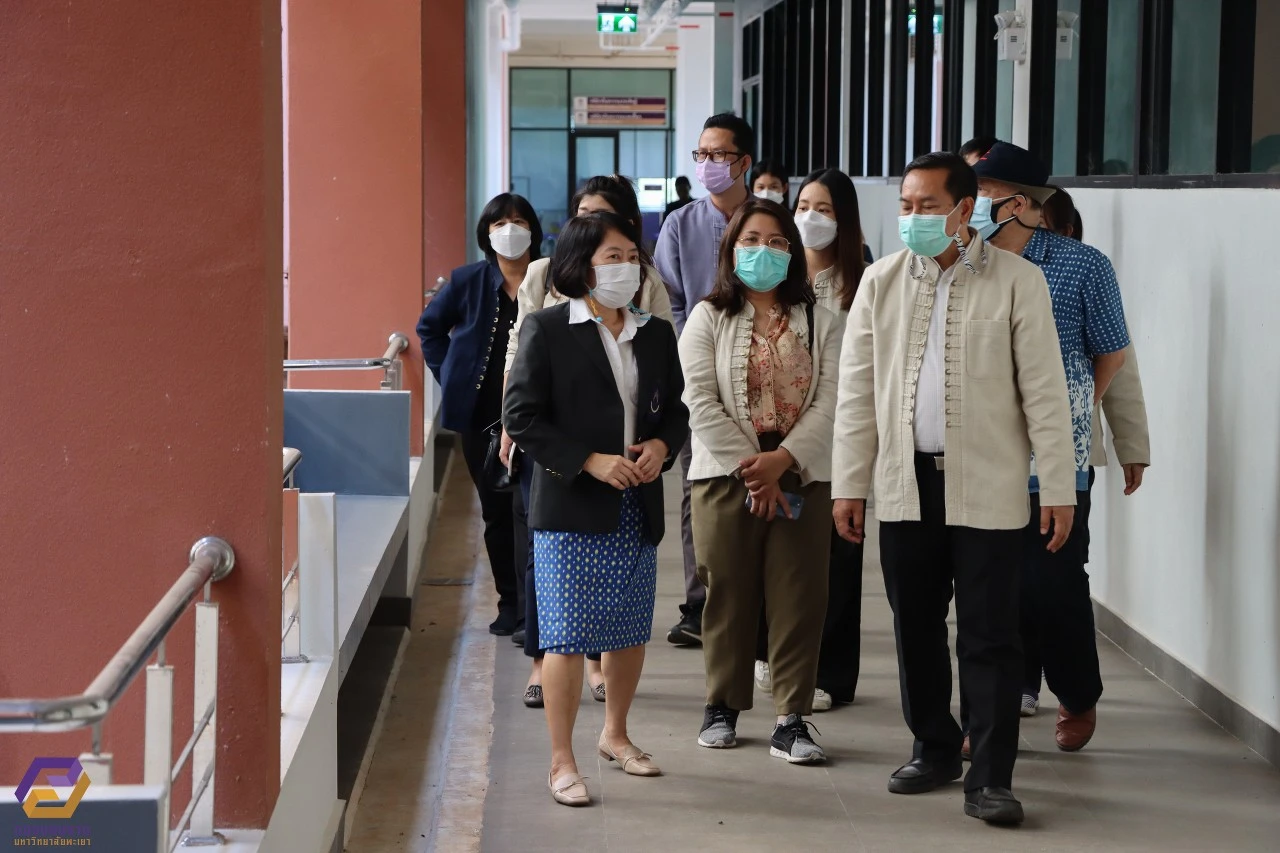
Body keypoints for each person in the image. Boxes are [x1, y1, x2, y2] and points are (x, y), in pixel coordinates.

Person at [832, 152, 1076, 825]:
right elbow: (855, 395)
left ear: (966, 209)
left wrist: (1057, 485)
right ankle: (933, 745)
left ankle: (991, 776)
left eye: (926, 205)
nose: (912, 217)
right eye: (906, 205)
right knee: (914, 624)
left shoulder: (1018, 282)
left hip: (991, 488)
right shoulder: (880, 284)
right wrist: (849, 482)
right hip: (906, 484)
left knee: (991, 634)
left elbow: (1047, 394)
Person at [503, 211, 689, 807]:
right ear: (582, 265)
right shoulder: (547, 328)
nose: (628, 267)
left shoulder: (655, 332)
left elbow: (675, 411)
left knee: (629, 629)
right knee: (563, 636)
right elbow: (522, 417)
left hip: (635, 501)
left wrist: (662, 445)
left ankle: (616, 734)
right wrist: (589, 460)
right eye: (614, 257)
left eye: (633, 256)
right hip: (570, 506)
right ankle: (561, 760)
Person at [972, 143, 1130, 753]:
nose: (970, 209)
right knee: (989, 592)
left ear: (1019, 203)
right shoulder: (964, 263)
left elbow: (1111, 349)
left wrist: (1075, 410)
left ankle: (1077, 692)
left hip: (1053, 462)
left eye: (980, 197)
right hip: (981, 452)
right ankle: (990, 718)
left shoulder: (1081, 266)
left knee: (1053, 584)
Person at [680, 197, 842, 764]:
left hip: (802, 473)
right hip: (726, 475)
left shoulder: (822, 317)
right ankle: (722, 705)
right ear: (730, 249)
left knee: (800, 596)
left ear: (793, 253)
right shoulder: (708, 317)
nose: (762, 252)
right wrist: (755, 471)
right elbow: (698, 400)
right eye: (750, 241)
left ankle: (792, 718)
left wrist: (785, 461)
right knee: (726, 592)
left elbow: (832, 398)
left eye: (776, 242)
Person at [753, 167, 870, 710]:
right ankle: (773, 655)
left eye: (822, 208)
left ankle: (830, 675)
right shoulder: (782, 278)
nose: (809, 217)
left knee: (837, 558)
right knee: (777, 550)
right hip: (783, 433)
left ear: (843, 217)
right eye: (803, 205)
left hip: (845, 432)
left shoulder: (865, 280)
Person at [418, 192, 542, 636]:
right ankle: (510, 602)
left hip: (536, 418)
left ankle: (536, 610)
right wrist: (449, 372)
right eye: (499, 223)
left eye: (519, 221)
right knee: (496, 511)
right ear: (486, 234)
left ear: (533, 229)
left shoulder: (549, 280)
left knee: (533, 512)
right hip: (478, 418)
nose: (510, 230)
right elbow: (428, 329)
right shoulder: (467, 280)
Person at [655, 111, 756, 648]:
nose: (708, 164)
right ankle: (700, 602)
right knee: (701, 489)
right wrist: (693, 356)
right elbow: (669, 300)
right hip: (700, 380)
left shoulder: (769, 222)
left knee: (760, 484)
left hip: (764, 375)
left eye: (719, 155)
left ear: (743, 161)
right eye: (701, 155)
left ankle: (754, 601)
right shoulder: (681, 225)